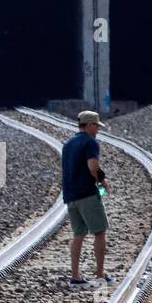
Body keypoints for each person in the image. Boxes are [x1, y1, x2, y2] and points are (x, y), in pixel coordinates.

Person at [61, 111, 114, 287]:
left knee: (78, 234)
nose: (98, 129)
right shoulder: (90, 142)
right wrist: (103, 182)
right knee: (100, 232)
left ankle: (75, 277)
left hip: (71, 196)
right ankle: (100, 275)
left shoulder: (68, 143)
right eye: (97, 126)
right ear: (90, 125)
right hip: (87, 194)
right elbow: (93, 166)